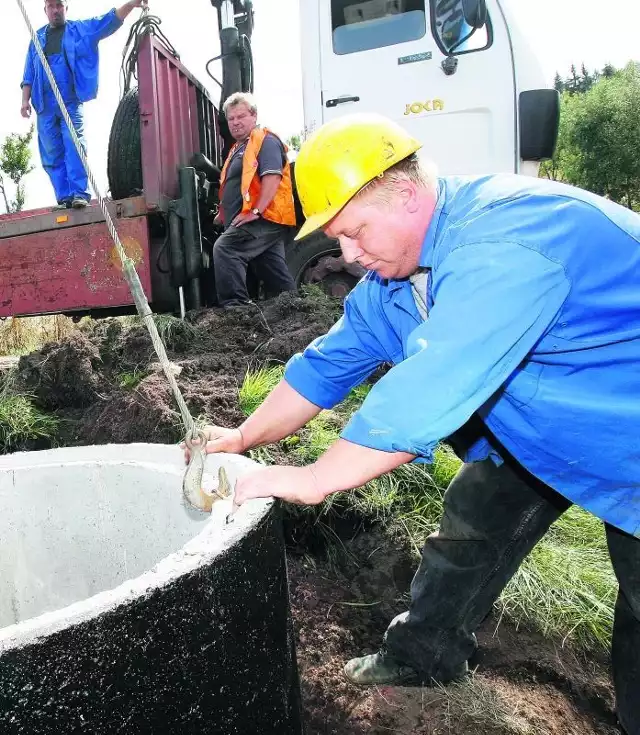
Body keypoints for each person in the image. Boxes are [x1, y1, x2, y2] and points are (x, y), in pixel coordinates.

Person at [186, 114, 640, 734]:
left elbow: (429, 386)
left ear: (401, 191)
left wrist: (311, 478)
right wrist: (241, 438)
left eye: (354, 232)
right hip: (538, 432)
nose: (349, 255)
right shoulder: (393, 280)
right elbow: (324, 367)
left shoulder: (503, 240)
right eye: (338, 240)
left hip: (626, 432)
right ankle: (423, 660)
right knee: (469, 534)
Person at [20, 0, 147, 210]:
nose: (55, 10)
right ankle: (64, 197)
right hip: (45, 105)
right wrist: (25, 100)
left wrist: (132, 4)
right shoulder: (36, 39)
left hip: (69, 101)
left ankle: (79, 193)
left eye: (59, 5)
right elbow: (28, 74)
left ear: (65, 8)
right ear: (45, 10)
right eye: (51, 6)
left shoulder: (79, 30)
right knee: (51, 153)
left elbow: (108, 20)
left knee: (74, 145)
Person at [213, 92, 297, 308]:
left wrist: (256, 211)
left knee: (226, 248)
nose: (235, 123)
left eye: (240, 116)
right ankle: (293, 307)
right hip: (257, 217)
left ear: (254, 115)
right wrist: (223, 212)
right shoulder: (238, 148)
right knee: (269, 265)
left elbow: (272, 176)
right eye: (231, 119)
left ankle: (235, 308)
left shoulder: (265, 141)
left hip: (266, 217)